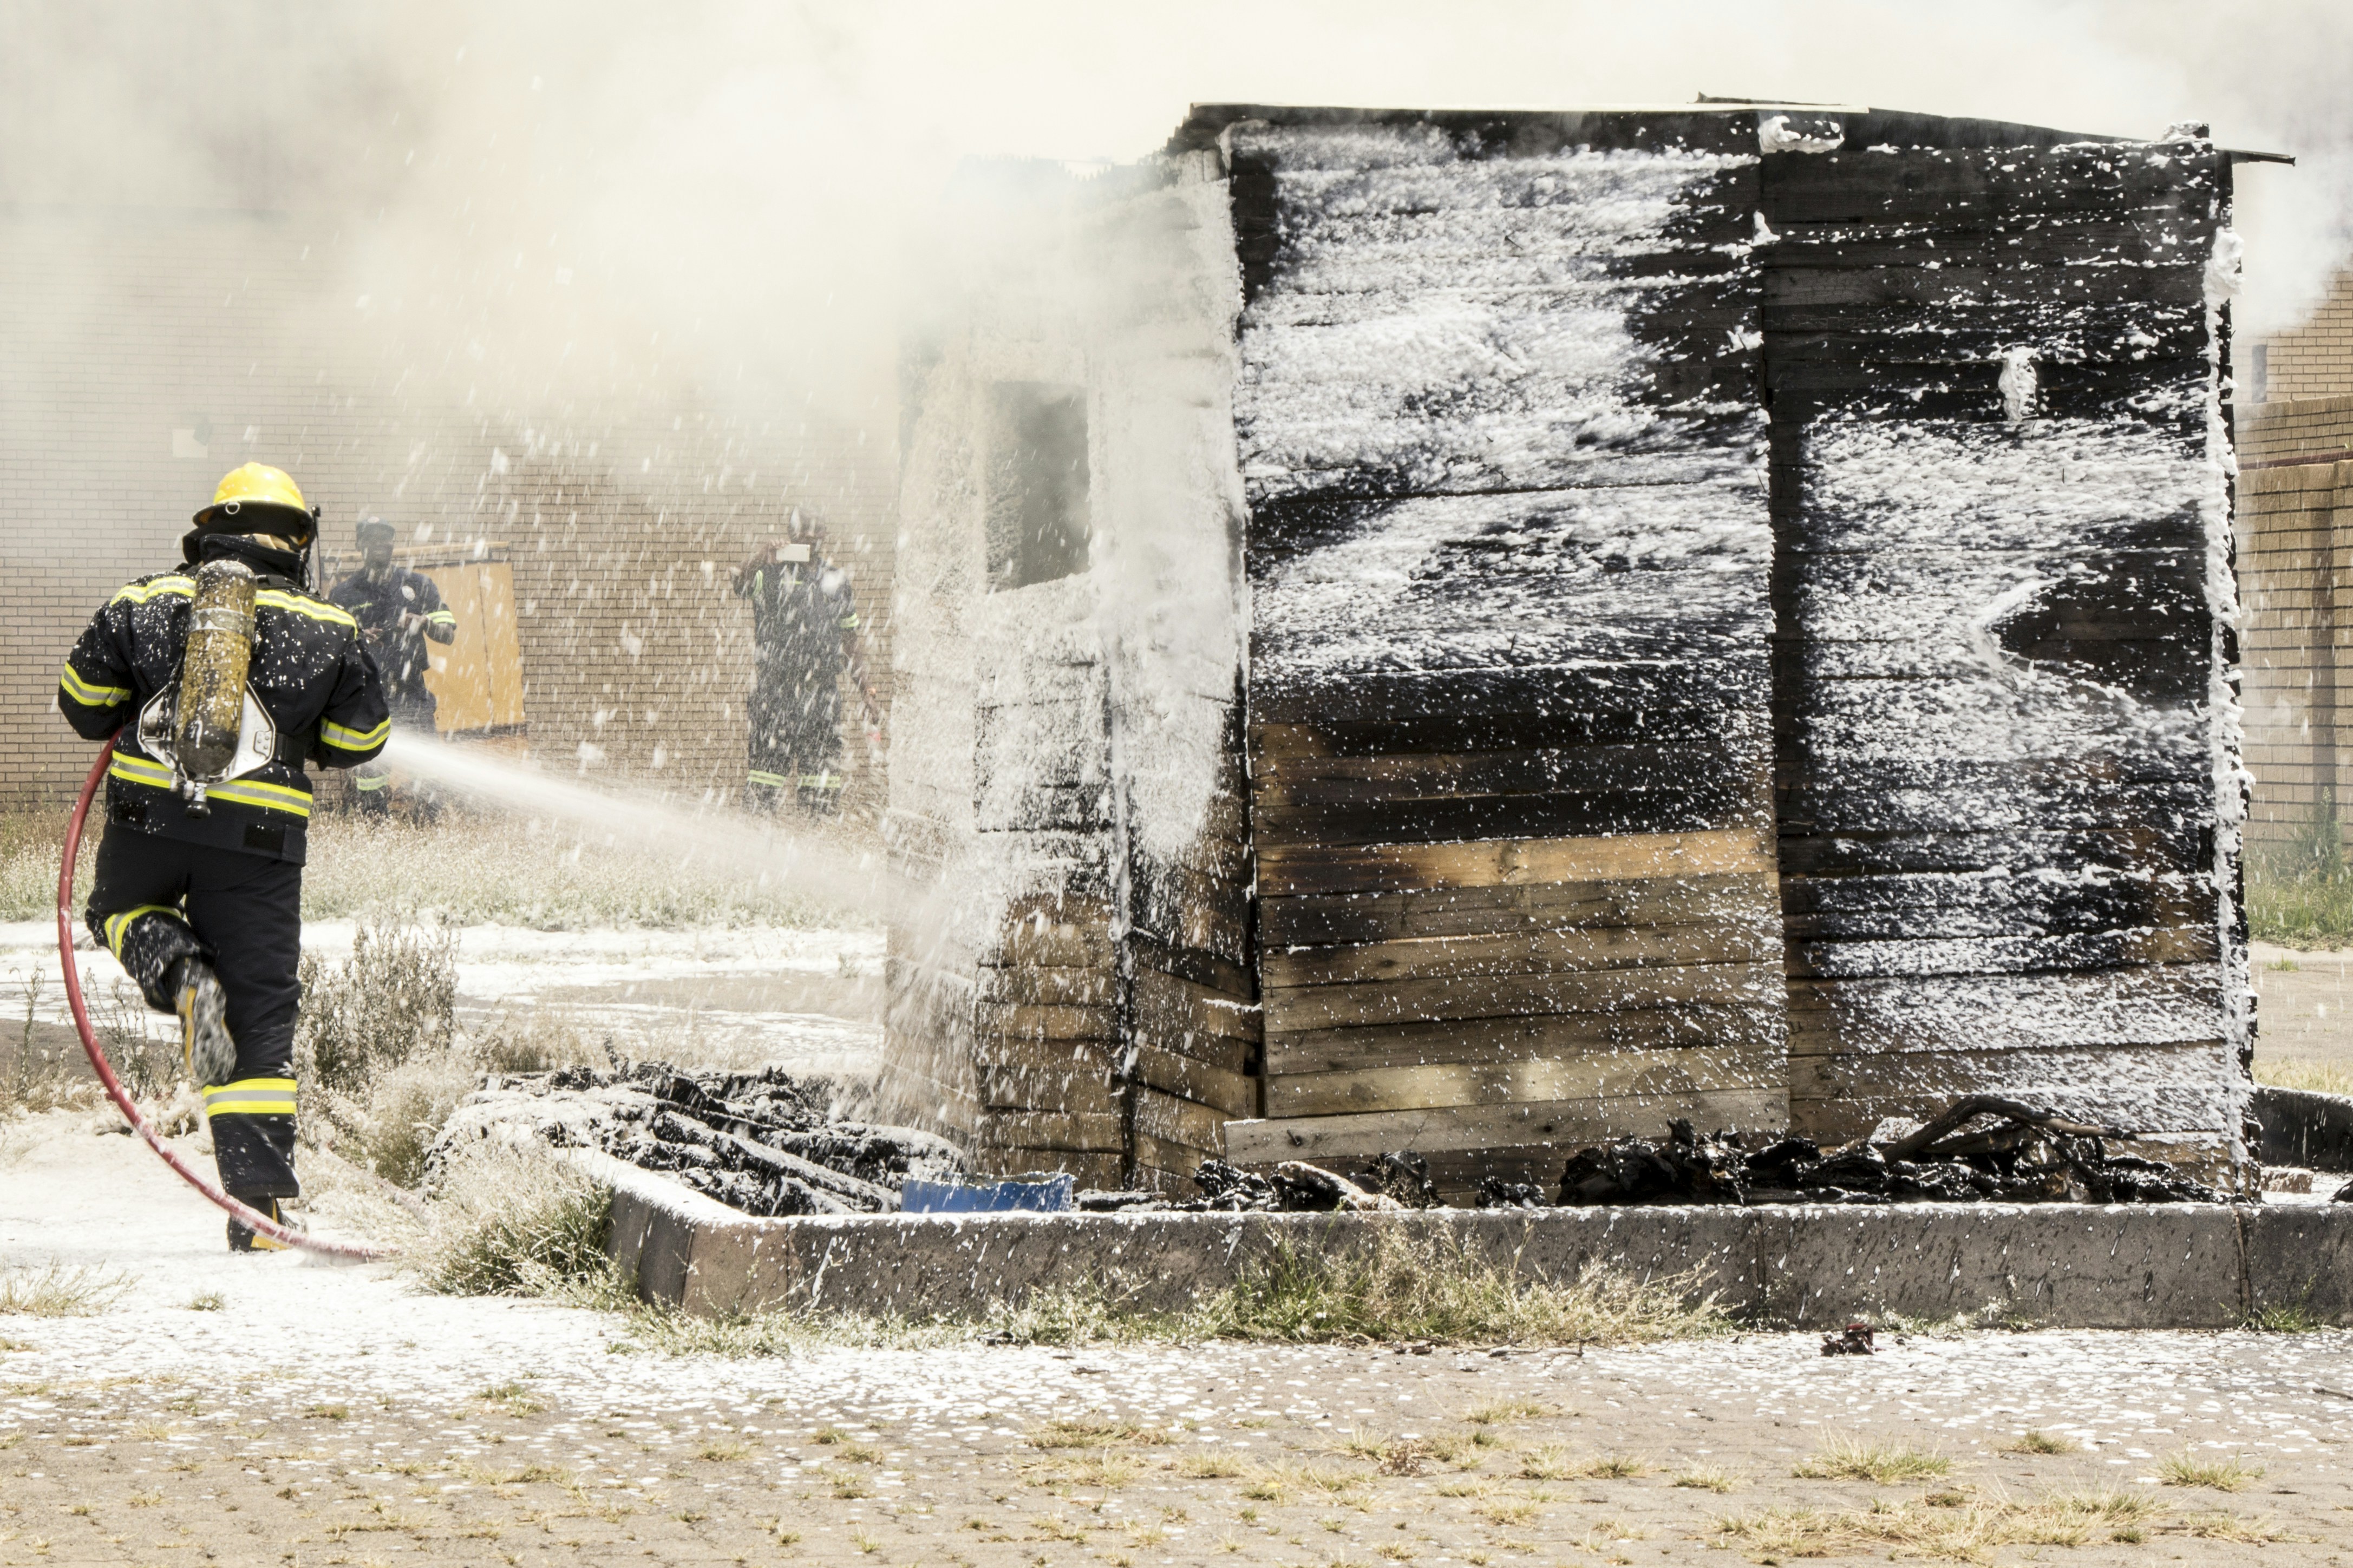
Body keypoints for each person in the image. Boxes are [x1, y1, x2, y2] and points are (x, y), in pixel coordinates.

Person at [57, 463, 389, 1251]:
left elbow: (82, 704)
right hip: (258, 844)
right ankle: (258, 1211)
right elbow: (359, 741)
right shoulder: (330, 626)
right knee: (259, 1016)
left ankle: (179, 974)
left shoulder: (142, 601)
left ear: (209, 530)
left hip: (148, 822)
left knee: (118, 911)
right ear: (297, 539)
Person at [732, 510, 881, 814]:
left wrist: (867, 690)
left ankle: (817, 833)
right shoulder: (770, 573)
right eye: (803, 532)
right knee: (763, 789)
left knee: (821, 795)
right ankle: (759, 835)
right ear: (791, 535)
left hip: (822, 699)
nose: (811, 537)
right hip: (775, 696)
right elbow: (740, 584)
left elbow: (850, 642)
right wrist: (762, 556)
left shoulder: (836, 580)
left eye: (817, 531)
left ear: (824, 535)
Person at [328, 516, 456, 816]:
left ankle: (427, 825)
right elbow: (331, 647)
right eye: (372, 538)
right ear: (360, 545)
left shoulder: (418, 585)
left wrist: (424, 622)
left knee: (428, 771)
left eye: (385, 537)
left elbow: (448, 634)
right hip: (367, 697)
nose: (380, 543)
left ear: (393, 543)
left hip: (411, 694)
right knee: (371, 774)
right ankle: (375, 825)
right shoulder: (343, 594)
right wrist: (359, 638)